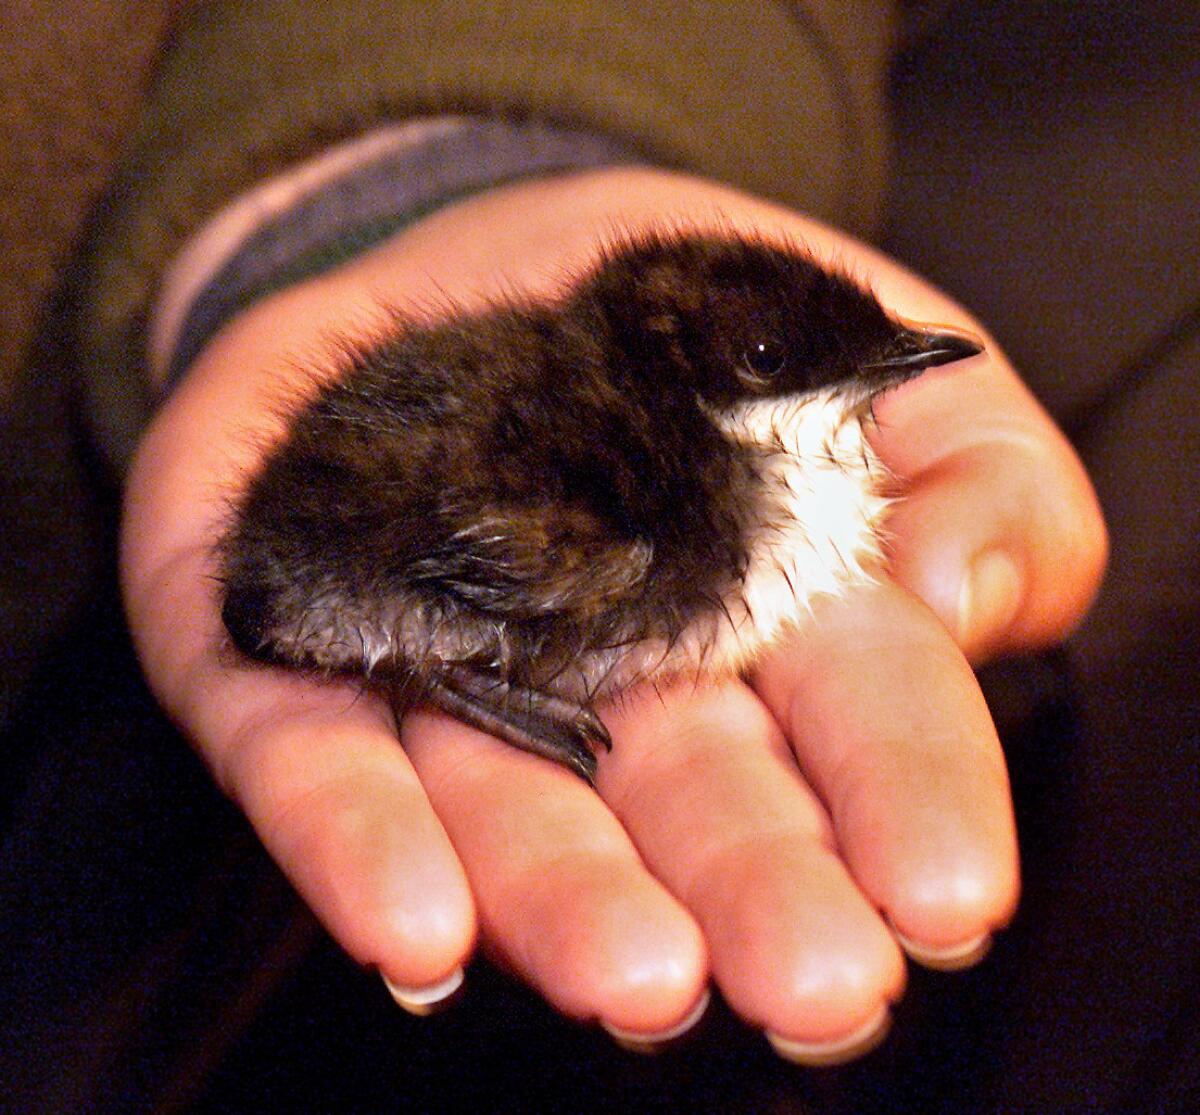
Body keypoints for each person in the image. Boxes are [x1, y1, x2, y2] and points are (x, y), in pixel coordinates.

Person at [24, 2, 1195, 1110]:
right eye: (784, 359)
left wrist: (391, 170)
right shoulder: (623, 524)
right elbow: (285, 594)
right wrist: (449, 667)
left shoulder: (625, 457)